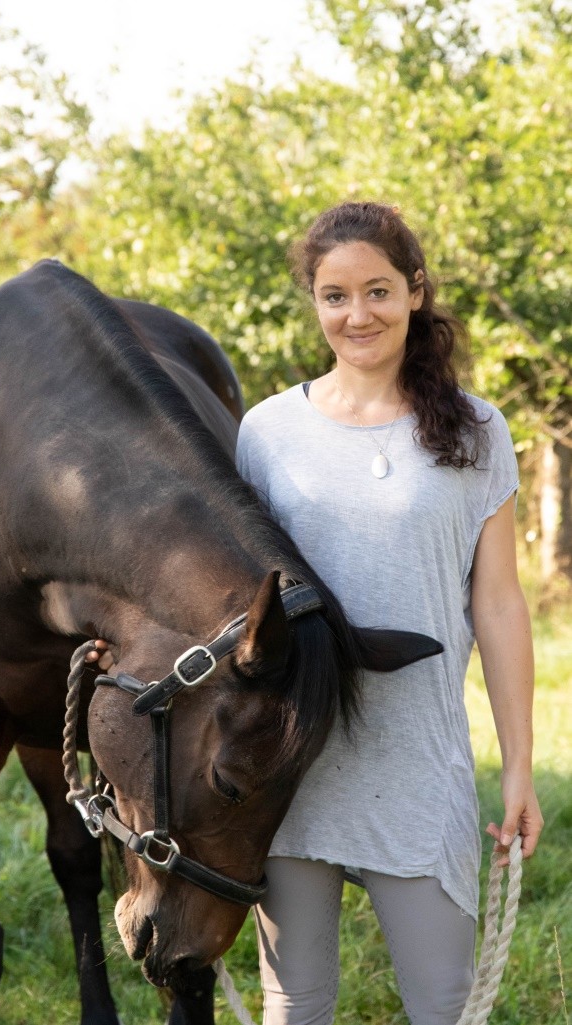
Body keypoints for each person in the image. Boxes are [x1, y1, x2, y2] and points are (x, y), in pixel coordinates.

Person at [231, 200, 543, 1025]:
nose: (356, 314)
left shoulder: (477, 430)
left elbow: (501, 604)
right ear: (314, 302)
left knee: (443, 1005)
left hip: (416, 762)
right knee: (294, 1002)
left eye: (376, 291)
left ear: (412, 291)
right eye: (334, 296)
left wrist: (518, 765)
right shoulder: (266, 432)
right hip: (294, 761)